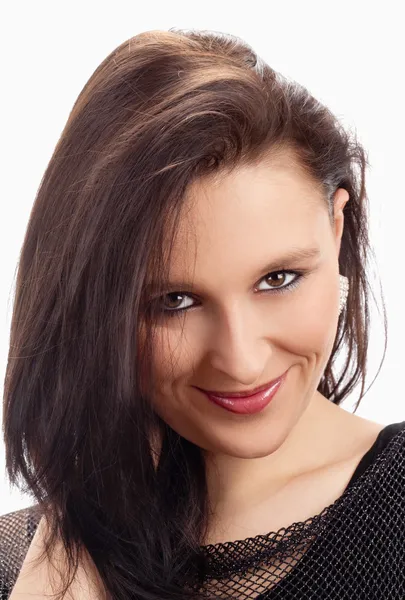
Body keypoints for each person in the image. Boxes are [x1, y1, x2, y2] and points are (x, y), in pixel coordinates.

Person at [1, 27, 404, 600]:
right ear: (96, 311)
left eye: (278, 280)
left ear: (335, 230)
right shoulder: (18, 561)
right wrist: (66, 553)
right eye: (175, 302)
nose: (241, 361)